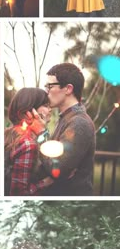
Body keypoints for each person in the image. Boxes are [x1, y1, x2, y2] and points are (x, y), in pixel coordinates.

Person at [41, 63, 96, 196]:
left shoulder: (79, 122)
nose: (46, 91)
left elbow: (58, 169)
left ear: (68, 89)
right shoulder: (67, 118)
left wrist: (39, 133)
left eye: (49, 86)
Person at [4, 88, 54, 195]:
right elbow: (19, 194)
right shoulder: (28, 144)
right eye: (45, 106)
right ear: (29, 112)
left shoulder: (9, 134)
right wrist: (46, 182)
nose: (50, 109)